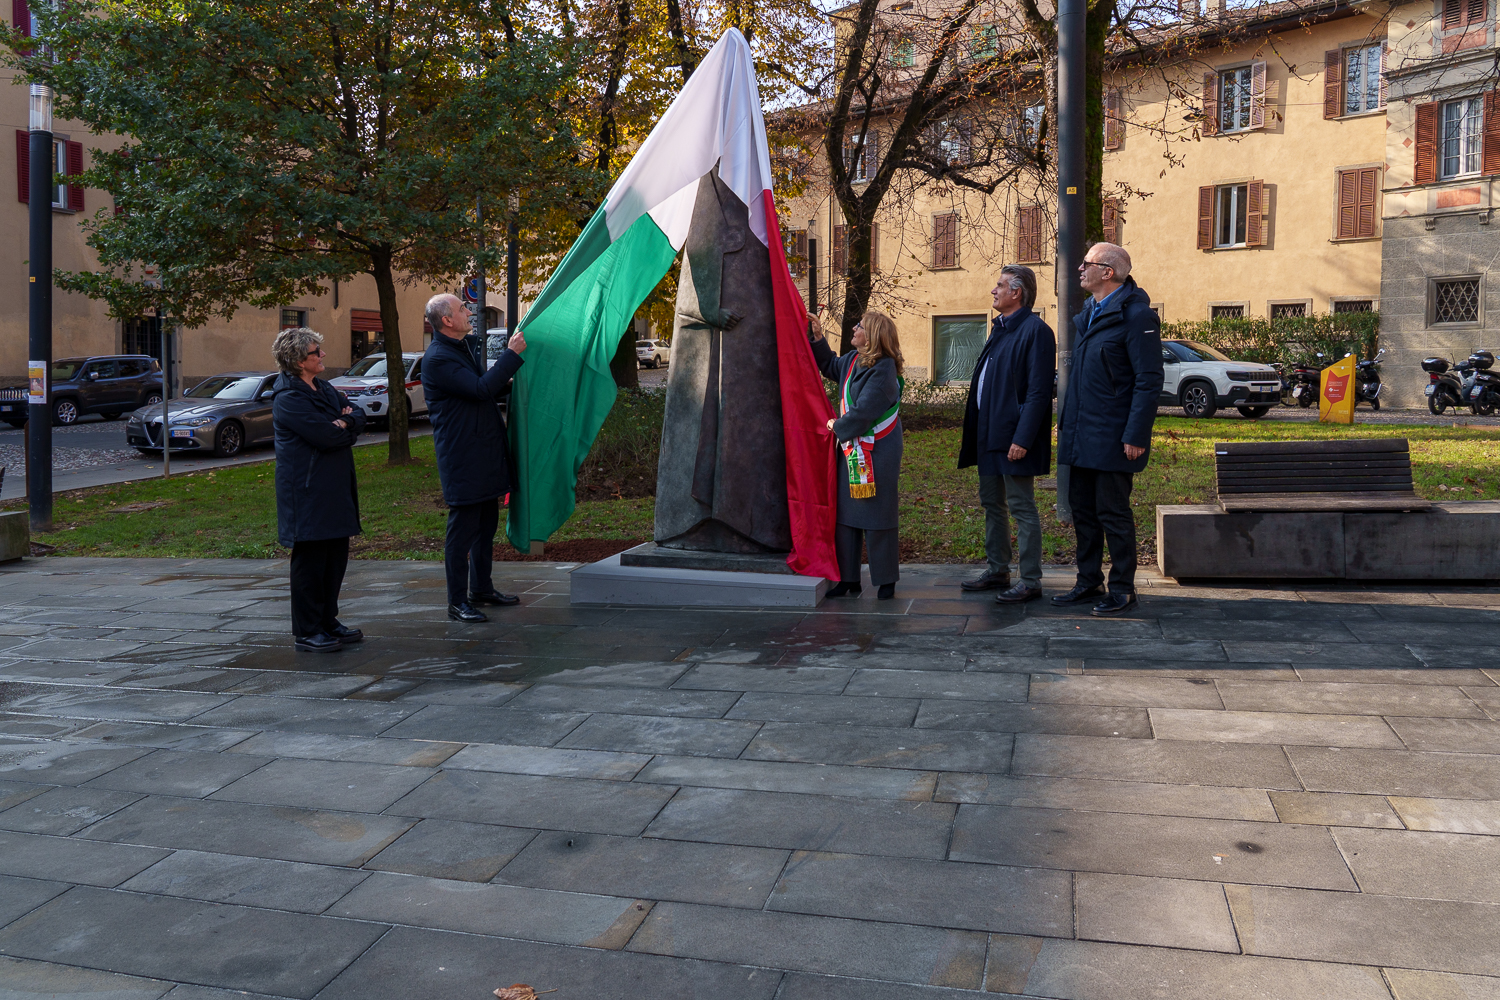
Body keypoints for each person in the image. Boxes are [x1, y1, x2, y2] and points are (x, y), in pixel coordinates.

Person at [1053, 242, 1163, 616]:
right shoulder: (1091, 313)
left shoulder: (1136, 317)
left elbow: (1149, 381)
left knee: (1112, 512)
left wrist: (1136, 434)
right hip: (1082, 432)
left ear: (1108, 272)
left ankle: (1122, 588)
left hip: (1115, 436)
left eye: (1087, 263)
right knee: (1082, 510)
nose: (1079, 269)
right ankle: (1088, 582)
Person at [421, 293, 527, 623]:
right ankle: (457, 601)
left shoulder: (458, 348)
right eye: (463, 309)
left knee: (485, 527)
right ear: (447, 321)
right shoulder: (438, 358)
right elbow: (481, 390)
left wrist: (512, 383)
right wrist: (510, 355)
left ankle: (480, 589)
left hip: (481, 455)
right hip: (463, 459)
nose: (470, 312)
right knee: (462, 533)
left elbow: (480, 391)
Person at [957, 265, 1055, 603]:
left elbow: (1039, 393)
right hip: (989, 436)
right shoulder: (999, 329)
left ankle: (1030, 581)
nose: (993, 291)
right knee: (991, 503)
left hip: (1013, 439)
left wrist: (1023, 439)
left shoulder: (1036, 331)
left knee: (1021, 506)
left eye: (999, 285)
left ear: (1017, 292)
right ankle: (998, 569)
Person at [271, 327, 367, 652]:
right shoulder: (289, 399)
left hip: (334, 488)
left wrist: (345, 422)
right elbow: (325, 438)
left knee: (335, 558)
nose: (322, 355)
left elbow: (360, 415)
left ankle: (328, 620)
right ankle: (308, 630)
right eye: (316, 352)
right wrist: (340, 425)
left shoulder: (323, 387)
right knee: (311, 563)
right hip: (307, 492)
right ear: (299, 360)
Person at [809, 310, 904, 600]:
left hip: (877, 450)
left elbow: (863, 413)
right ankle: (848, 578)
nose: (854, 327)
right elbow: (828, 365)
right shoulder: (852, 360)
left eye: (860, 326)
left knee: (876, 514)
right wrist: (818, 337)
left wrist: (834, 427)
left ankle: (885, 580)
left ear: (872, 336)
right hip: (853, 447)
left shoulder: (884, 369)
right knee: (847, 515)